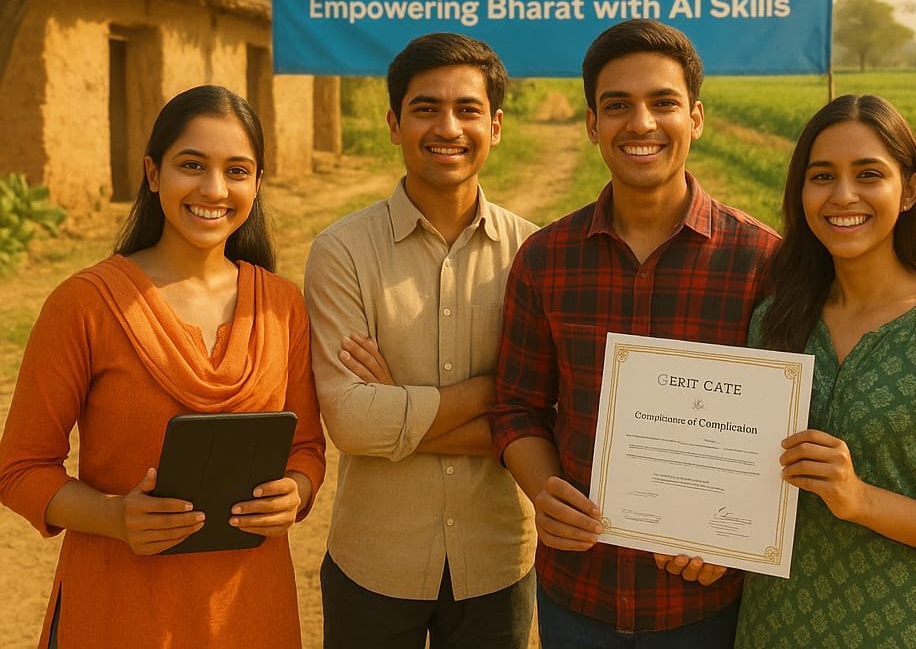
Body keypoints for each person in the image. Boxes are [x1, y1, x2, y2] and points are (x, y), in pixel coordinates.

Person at [0, 85, 326, 649]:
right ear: (153, 174)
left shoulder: (281, 304)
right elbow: (21, 468)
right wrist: (114, 517)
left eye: (237, 170)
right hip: (118, 612)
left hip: (250, 612)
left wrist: (296, 491)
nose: (214, 189)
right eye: (192, 165)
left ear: (258, 184)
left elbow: (307, 449)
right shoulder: (85, 303)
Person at [491, 19, 780, 647]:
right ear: (593, 123)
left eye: (663, 103)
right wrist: (544, 491)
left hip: (709, 600)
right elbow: (516, 405)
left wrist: (736, 534)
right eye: (618, 105)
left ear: (696, 118)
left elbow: (790, 425)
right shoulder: (546, 258)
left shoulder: (762, 263)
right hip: (579, 590)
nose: (641, 123)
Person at [734, 94, 916, 649]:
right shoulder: (776, 319)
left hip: (903, 627)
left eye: (869, 174)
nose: (843, 196)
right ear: (802, 192)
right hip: (776, 625)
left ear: (909, 190)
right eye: (822, 176)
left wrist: (859, 498)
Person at [304, 32, 537, 649]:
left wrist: (399, 409)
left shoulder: (535, 254)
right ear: (393, 123)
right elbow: (352, 424)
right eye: (425, 108)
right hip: (373, 558)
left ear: (496, 125)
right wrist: (493, 392)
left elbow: (550, 418)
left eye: (467, 110)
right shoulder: (341, 252)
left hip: (496, 562)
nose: (448, 127)